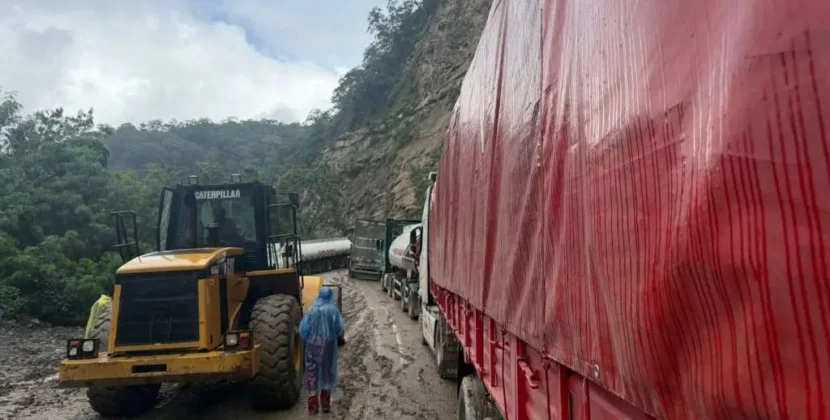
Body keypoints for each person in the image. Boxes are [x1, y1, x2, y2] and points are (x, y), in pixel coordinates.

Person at [299, 287, 345, 414]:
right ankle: (325, 405)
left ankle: (313, 406)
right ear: (330, 296)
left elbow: (303, 330)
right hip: (328, 345)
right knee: (326, 372)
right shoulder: (333, 310)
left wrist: (310, 338)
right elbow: (339, 328)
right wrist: (331, 336)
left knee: (311, 373)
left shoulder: (311, 310)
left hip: (312, 345)